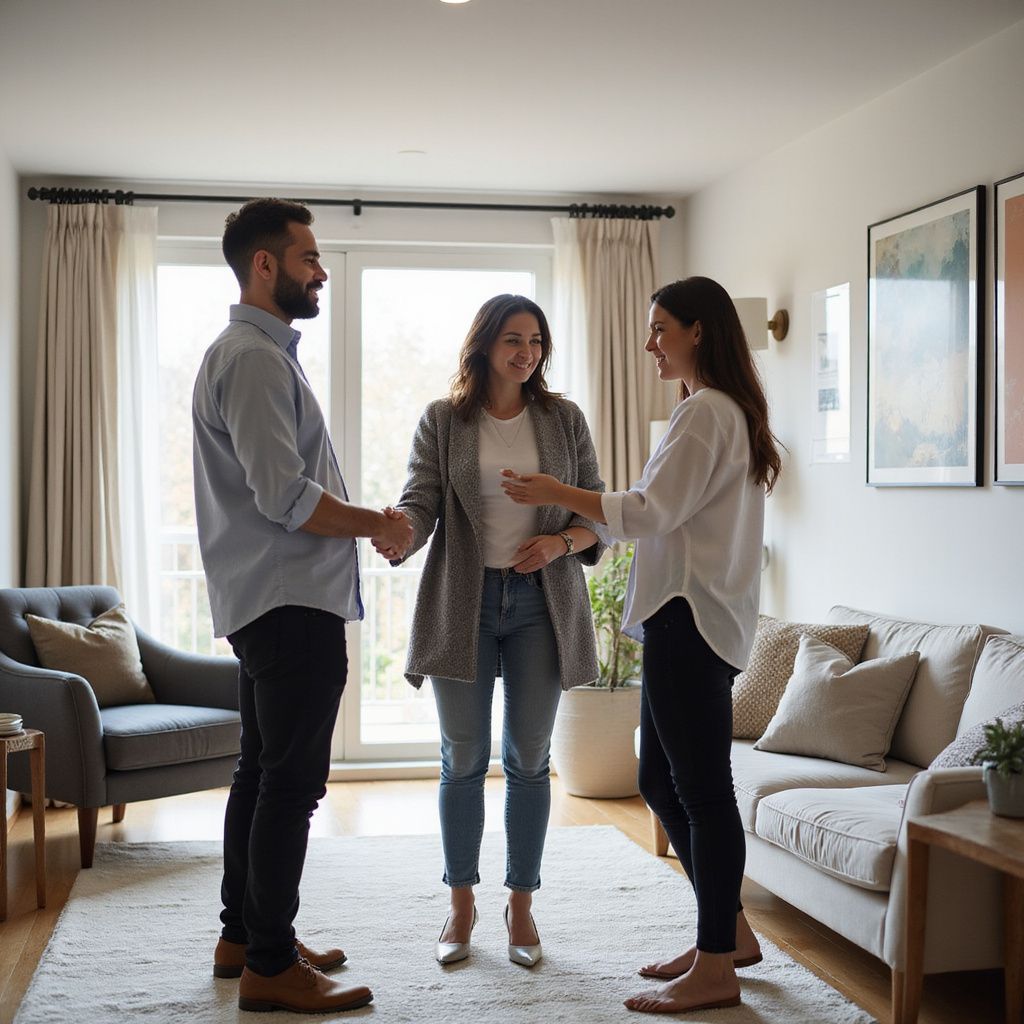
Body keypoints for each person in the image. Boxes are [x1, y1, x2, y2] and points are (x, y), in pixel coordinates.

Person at [501, 276, 782, 1014]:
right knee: (660, 782)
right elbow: (665, 513)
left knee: (701, 791)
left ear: (698, 331)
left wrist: (556, 491)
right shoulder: (712, 412)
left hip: (689, 620)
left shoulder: (707, 413)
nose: (651, 344)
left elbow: (650, 512)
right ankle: (731, 932)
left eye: (662, 329)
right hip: (689, 618)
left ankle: (718, 964)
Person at [192, 198, 411, 1014]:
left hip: (273, 599)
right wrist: (380, 526)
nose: (320, 271)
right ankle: (271, 966)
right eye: (310, 257)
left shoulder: (262, 354)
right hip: (288, 601)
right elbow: (285, 496)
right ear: (265, 264)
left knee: (261, 773)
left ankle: (245, 936)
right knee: (292, 785)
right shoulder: (251, 358)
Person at [376, 294, 605, 968]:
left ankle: (522, 904)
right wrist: (401, 536)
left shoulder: (564, 420)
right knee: (463, 758)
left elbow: (597, 511)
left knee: (530, 762)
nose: (526, 352)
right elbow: (421, 500)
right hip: (463, 605)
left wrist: (560, 546)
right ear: (484, 346)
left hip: (542, 604)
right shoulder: (445, 420)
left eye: (536, 339)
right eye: (513, 339)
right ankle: (459, 902)